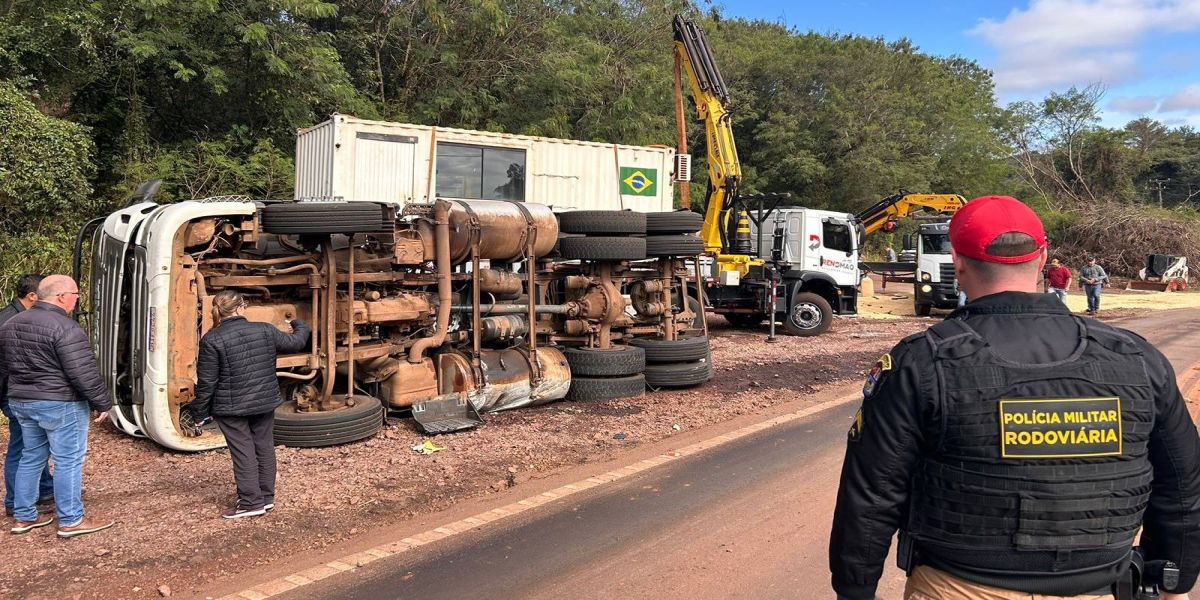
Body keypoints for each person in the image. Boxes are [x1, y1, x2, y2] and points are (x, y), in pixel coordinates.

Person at [830, 196, 1200, 600]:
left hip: (958, 588)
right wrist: (1174, 579)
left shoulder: (920, 361)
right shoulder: (1137, 358)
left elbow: (871, 493)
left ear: (958, 261)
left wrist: (854, 589)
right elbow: (1182, 485)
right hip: (1100, 587)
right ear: (1042, 258)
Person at [0, 275, 114, 537]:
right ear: (61, 296)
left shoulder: (11, 324)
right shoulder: (65, 327)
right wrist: (102, 403)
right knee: (68, 461)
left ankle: (24, 516)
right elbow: (82, 373)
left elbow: (5, 369)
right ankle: (71, 519)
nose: (77, 300)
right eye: (75, 294)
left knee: (31, 457)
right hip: (60, 403)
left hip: (21, 401)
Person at [185, 290, 309, 519]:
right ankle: (266, 498)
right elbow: (296, 342)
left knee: (243, 452)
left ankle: (251, 503)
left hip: (231, 408)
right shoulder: (264, 329)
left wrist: (199, 413)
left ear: (218, 311)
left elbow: (207, 382)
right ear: (241, 307)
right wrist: (299, 323)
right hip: (264, 402)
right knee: (263, 447)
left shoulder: (212, 339)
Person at [0, 274, 54, 518]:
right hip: (13, 393)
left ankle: (44, 488)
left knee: (34, 443)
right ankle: (14, 500)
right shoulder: (11, 320)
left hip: (17, 390)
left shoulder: (15, 315)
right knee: (22, 447)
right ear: (32, 296)